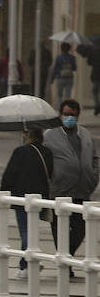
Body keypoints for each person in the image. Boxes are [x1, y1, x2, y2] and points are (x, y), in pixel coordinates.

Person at [43, 99, 99, 276]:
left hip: (82, 190)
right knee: (59, 229)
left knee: (81, 228)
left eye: (73, 115)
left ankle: (66, 260)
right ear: (60, 114)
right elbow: (44, 160)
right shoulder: (50, 135)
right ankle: (65, 265)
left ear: (78, 116)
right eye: (66, 114)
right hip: (60, 191)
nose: (69, 118)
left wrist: (93, 175)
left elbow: (95, 158)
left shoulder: (85, 135)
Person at [0, 127, 54, 274]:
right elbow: (50, 173)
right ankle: (26, 262)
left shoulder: (20, 152)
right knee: (32, 229)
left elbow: (9, 174)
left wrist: (2, 192)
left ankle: (30, 261)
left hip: (21, 197)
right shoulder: (47, 152)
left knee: (25, 230)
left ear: (27, 135)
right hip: (40, 197)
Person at [49, 42, 77, 107]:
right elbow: (74, 68)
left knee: (59, 95)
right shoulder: (72, 58)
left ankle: (60, 108)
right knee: (67, 95)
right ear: (69, 49)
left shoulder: (58, 58)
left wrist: (52, 79)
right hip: (70, 78)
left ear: (61, 49)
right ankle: (67, 107)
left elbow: (55, 69)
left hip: (60, 78)